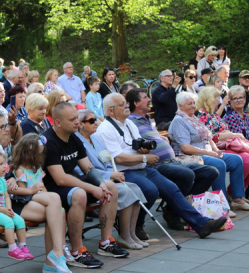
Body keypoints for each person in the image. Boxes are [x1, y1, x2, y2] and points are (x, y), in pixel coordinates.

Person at [95, 94, 230, 242]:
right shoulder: (106, 129)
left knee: (172, 188)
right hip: (124, 171)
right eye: (122, 105)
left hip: (142, 167)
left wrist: (145, 150)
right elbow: (118, 158)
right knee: (151, 190)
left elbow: (137, 145)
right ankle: (134, 227)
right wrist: (145, 157)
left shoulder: (128, 124)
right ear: (111, 111)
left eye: (126, 103)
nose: (127, 106)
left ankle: (201, 224)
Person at [0, 112, 71, 271]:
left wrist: (10, 176)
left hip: (11, 198)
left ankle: (55, 258)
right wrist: (9, 178)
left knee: (55, 205)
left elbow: (5, 173)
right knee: (56, 211)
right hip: (0, 204)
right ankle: (55, 257)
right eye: (2, 126)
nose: (6, 129)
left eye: (6, 125)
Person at [41, 102, 128, 269]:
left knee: (110, 187)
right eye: (72, 119)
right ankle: (77, 251)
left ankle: (106, 242)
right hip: (50, 190)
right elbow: (60, 179)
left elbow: (88, 168)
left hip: (69, 185)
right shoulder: (50, 141)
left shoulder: (73, 137)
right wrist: (92, 188)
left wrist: (101, 184)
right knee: (79, 194)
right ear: (58, 123)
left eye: (77, 118)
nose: (77, 122)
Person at [124, 89, 218, 232]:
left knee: (210, 172)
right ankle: (195, 221)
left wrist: (161, 139)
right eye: (145, 98)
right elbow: (132, 145)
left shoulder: (146, 119)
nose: (149, 100)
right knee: (186, 175)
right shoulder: (130, 122)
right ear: (136, 103)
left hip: (172, 161)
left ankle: (172, 210)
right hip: (156, 164)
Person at [73, 110, 148, 250]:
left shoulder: (95, 138)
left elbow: (106, 160)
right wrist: (109, 176)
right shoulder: (76, 141)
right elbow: (81, 171)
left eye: (95, 119)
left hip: (106, 178)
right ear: (81, 124)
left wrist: (113, 173)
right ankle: (124, 236)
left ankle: (131, 234)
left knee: (135, 188)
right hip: (91, 183)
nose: (96, 122)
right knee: (125, 191)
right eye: (91, 120)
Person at [169, 91, 249, 212]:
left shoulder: (193, 118)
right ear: (180, 105)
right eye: (189, 104)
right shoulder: (179, 121)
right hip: (190, 156)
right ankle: (222, 205)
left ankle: (237, 199)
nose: (193, 106)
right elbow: (185, 148)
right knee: (219, 164)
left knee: (236, 160)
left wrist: (215, 150)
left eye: (194, 103)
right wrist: (210, 153)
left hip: (207, 152)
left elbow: (208, 137)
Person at [196, 87, 249, 195]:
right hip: (217, 147)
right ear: (210, 99)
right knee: (246, 159)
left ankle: (238, 193)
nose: (220, 100)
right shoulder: (203, 116)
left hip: (228, 144)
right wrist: (230, 135)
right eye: (218, 97)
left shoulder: (213, 114)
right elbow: (211, 138)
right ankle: (234, 195)